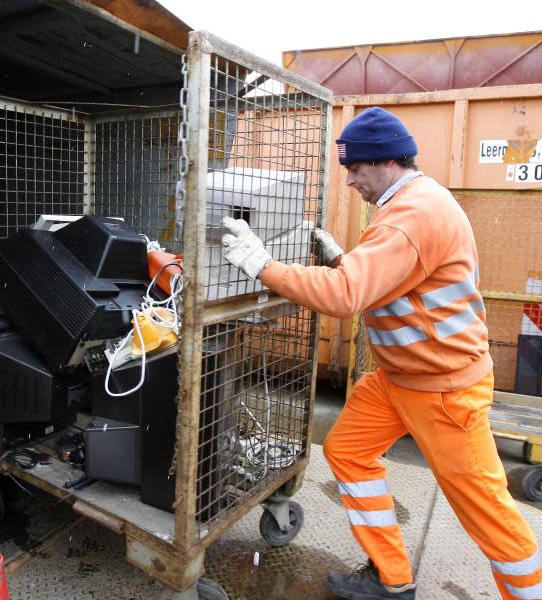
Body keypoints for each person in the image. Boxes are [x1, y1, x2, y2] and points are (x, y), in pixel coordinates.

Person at [221, 107, 541, 600]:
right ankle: (392, 578)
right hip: (400, 378)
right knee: (348, 451)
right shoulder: (407, 203)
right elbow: (393, 283)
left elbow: (348, 296)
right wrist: (338, 259)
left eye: (355, 169)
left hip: (444, 390)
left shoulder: (411, 217)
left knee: (487, 511)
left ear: (387, 162)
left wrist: (261, 264)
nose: (349, 181)